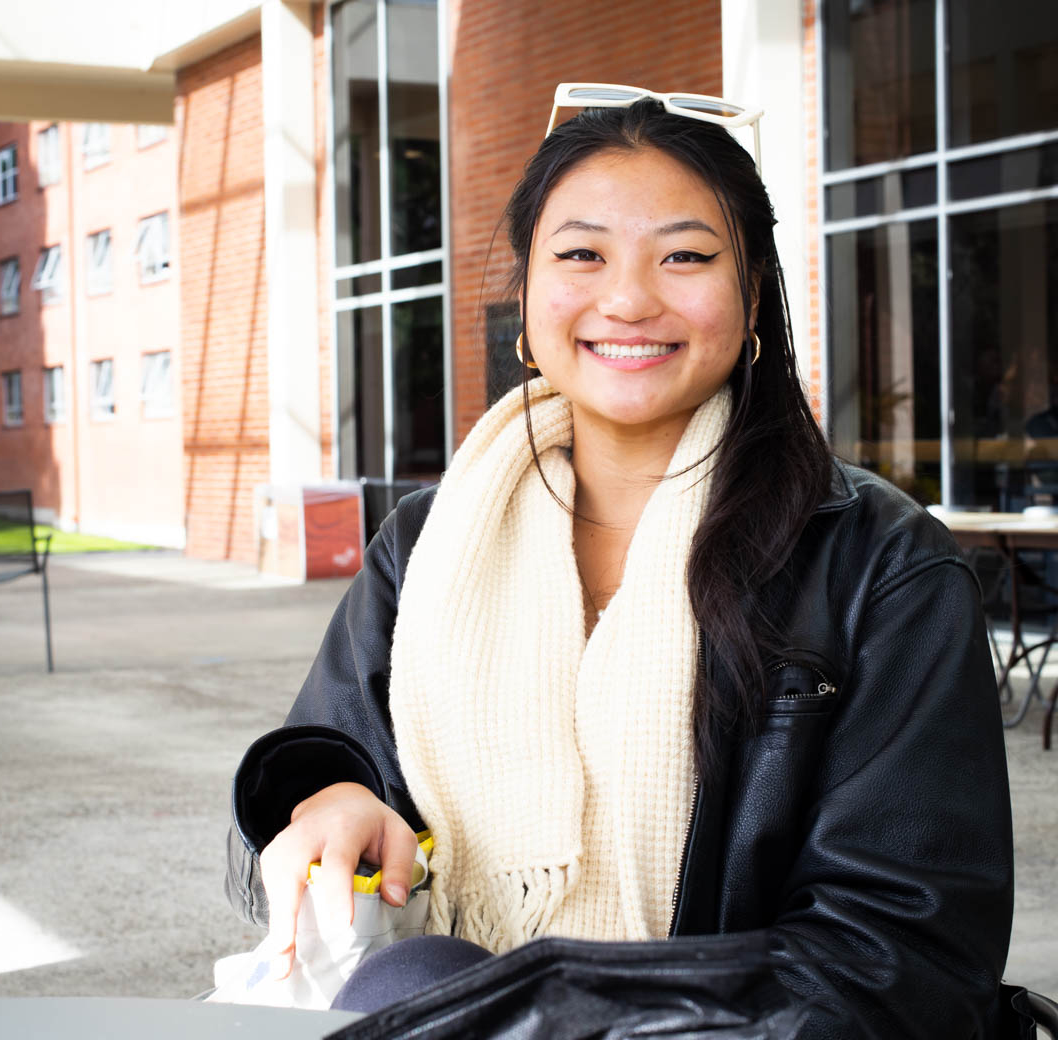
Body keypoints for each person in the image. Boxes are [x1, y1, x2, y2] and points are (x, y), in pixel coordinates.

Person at [224, 88, 1014, 1037]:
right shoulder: (430, 540)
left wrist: (565, 1014)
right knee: (416, 974)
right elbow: (338, 753)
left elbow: (901, 952)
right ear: (526, 300)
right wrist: (335, 798)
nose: (630, 299)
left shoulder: (880, 564)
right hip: (456, 999)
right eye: (581, 255)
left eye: (686, 256)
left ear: (753, 297)